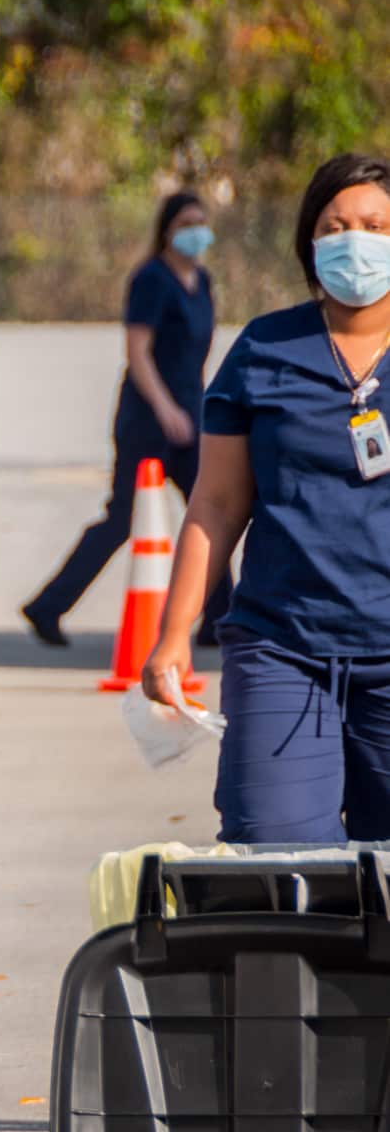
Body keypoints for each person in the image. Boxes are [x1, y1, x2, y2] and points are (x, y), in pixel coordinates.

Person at [143, 153, 390, 845]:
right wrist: (171, 639)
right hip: (283, 651)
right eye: (336, 226)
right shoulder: (264, 350)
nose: (356, 241)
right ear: (311, 243)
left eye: (375, 226)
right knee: (278, 869)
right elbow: (216, 506)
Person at [24, 192, 229, 647]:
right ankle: (47, 606)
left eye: (202, 221)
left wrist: (197, 408)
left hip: (190, 417)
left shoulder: (204, 280)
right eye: (186, 222)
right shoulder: (152, 279)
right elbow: (138, 352)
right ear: (168, 228)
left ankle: (221, 618)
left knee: (211, 510)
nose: (196, 231)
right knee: (122, 519)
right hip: (149, 420)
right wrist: (165, 408)